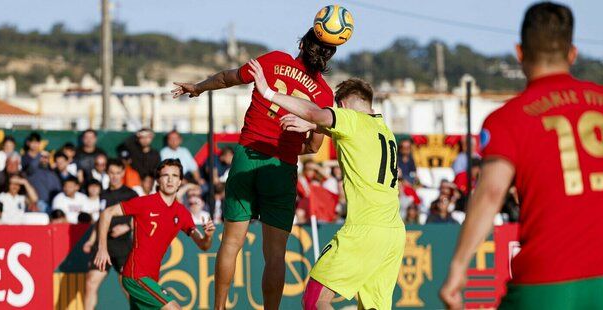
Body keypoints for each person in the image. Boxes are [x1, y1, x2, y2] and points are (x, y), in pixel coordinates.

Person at [439, 3, 603, 309]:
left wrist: (457, 267)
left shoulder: (507, 119)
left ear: (519, 53)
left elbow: (491, 191)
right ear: (572, 54)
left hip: (544, 283)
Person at [171, 27, 336, 310]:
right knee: (274, 255)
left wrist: (198, 87)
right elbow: (313, 146)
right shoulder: (323, 93)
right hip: (281, 167)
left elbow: (227, 78)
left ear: (302, 43)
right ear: (329, 55)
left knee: (231, 243)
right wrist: (287, 148)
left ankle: (219, 307)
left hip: (247, 156)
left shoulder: (274, 60)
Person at [249, 61, 405, 310]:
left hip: (363, 231)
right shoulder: (384, 131)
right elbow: (344, 131)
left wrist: (269, 93)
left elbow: (315, 112)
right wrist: (314, 126)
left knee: (314, 301)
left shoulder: (350, 119)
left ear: (341, 105)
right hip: (393, 234)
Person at [93, 159, 215, 309]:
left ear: (180, 182)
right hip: (135, 275)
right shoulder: (144, 202)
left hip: (151, 277)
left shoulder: (182, 213)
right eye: (165, 175)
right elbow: (107, 212)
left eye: (175, 176)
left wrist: (208, 236)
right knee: (174, 308)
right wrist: (102, 248)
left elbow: (203, 245)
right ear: (158, 180)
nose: (170, 179)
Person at [82, 159, 139, 310]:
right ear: (107, 173)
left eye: (118, 173)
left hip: (123, 246)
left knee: (127, 287)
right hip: (103, 245)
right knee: (91, 282)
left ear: (122, 173)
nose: (114, 176)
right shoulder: (103, 195)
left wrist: (127, 227)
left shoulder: (130, 194)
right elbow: (99, 221)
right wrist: (90, 240)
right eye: (111, 173)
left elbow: (141, 218)